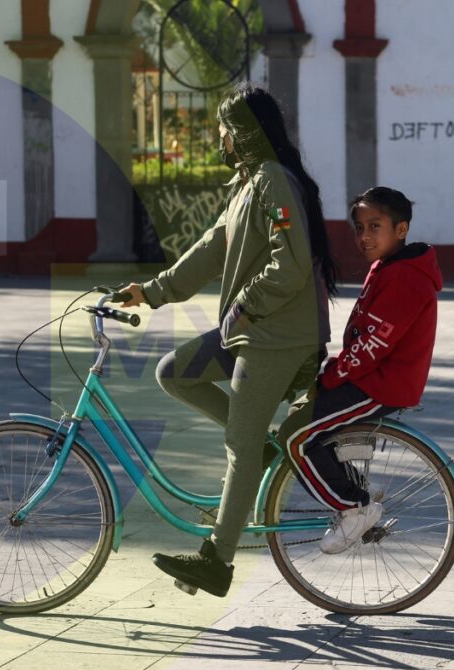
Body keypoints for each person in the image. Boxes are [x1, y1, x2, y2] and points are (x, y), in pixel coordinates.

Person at [119, 83, 337, 598]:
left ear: (240, 131)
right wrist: (149, 293)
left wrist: (245, 305)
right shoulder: (248, 184)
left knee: (237, 445)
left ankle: (216, 560)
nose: (218, 137)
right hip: (251, 330)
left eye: (222, 127)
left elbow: (293, 263)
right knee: (174, 371)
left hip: (275, 335)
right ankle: (261, 452)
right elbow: (210, 249)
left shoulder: (274, 182)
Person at [275, 186, 443, 554]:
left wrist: (331, 375)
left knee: (295, 436)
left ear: (401, 229)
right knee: (308, 420)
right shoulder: (389, 267)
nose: (365, 236)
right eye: (359, 227)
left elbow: (374, 344)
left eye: (375, 226)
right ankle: (355, 489)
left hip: (382, 385)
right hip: (369, 377)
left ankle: (354, 508)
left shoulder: (407, 278)